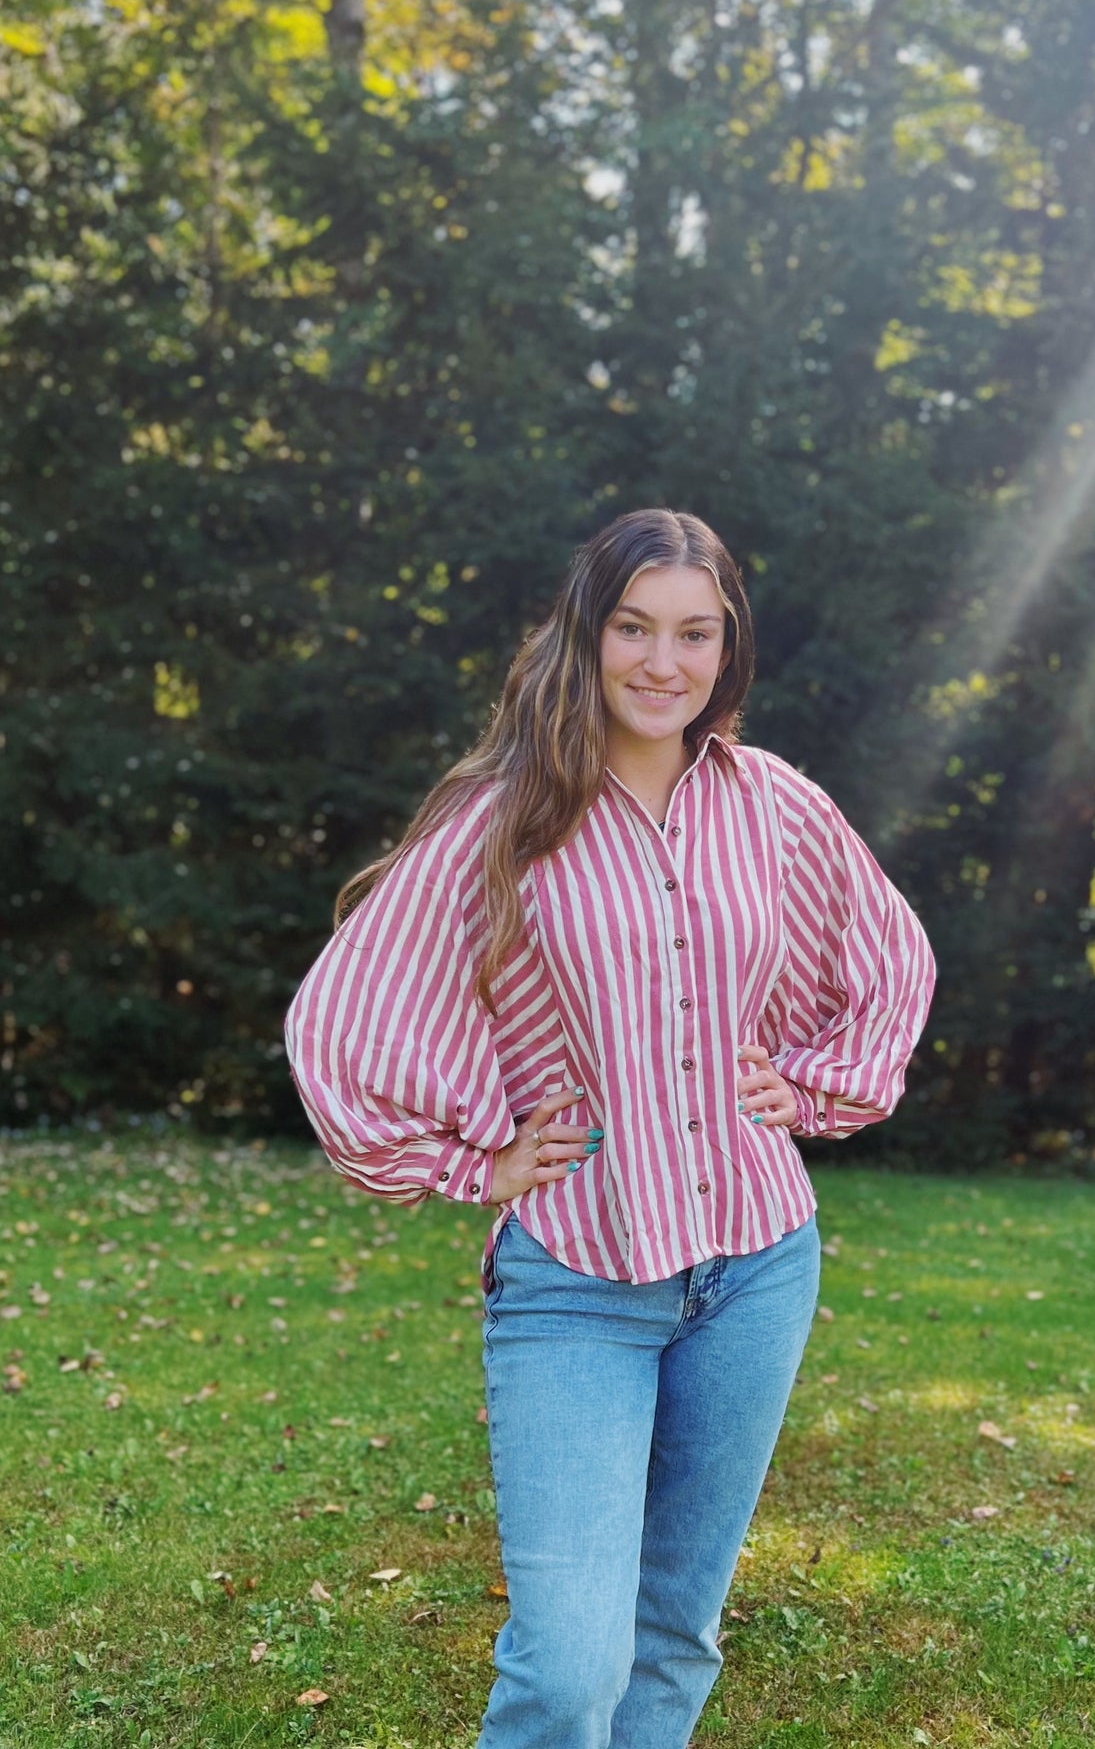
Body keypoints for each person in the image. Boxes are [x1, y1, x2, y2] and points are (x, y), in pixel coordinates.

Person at [284, 508, 935, 1749]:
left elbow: (889, 955)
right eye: (632, 627)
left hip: (755, 1264)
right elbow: (346, 1014)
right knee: (570, 1665)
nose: (661, 662)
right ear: (583, 636)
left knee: (674, 1633)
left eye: (694, 633)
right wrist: (469, 1159)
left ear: (724, 650)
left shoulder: (774, 806)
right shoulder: (502, 816)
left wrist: (806, 1087)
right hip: (576, 1282)